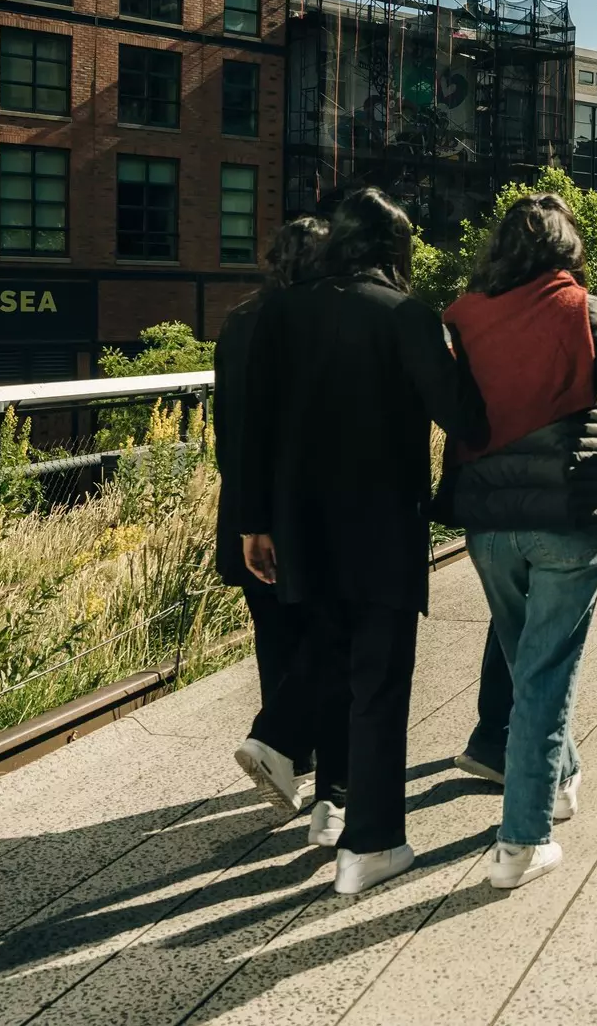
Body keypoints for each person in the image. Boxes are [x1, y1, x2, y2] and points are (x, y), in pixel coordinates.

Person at [240, 188, 487, 897]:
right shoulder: (407, 315)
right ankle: (369, 844)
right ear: (394, 249)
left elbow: (255, 422)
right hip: (382, 526)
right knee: (377, 683)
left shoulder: (281, 312)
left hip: (298, 526)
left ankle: (287, 744)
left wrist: (254, 523)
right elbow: (464, 417)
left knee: (328, 648)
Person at [439, 193, 597, 892]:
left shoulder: (463, 317)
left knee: (526, 658)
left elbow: (453, 409)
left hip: (488, 521)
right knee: (545, 671)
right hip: (567, 509)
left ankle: (560, 781)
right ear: (568, 247)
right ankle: (521, 842)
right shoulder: (586, 309)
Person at [217, 216, 329, 818]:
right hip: (301, 503)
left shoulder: (238, 320)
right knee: (325, 628)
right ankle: (282, 742)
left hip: (244, 501)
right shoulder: (314, 322)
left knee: (273, 632)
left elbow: (225, 424)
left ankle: (289, 761)